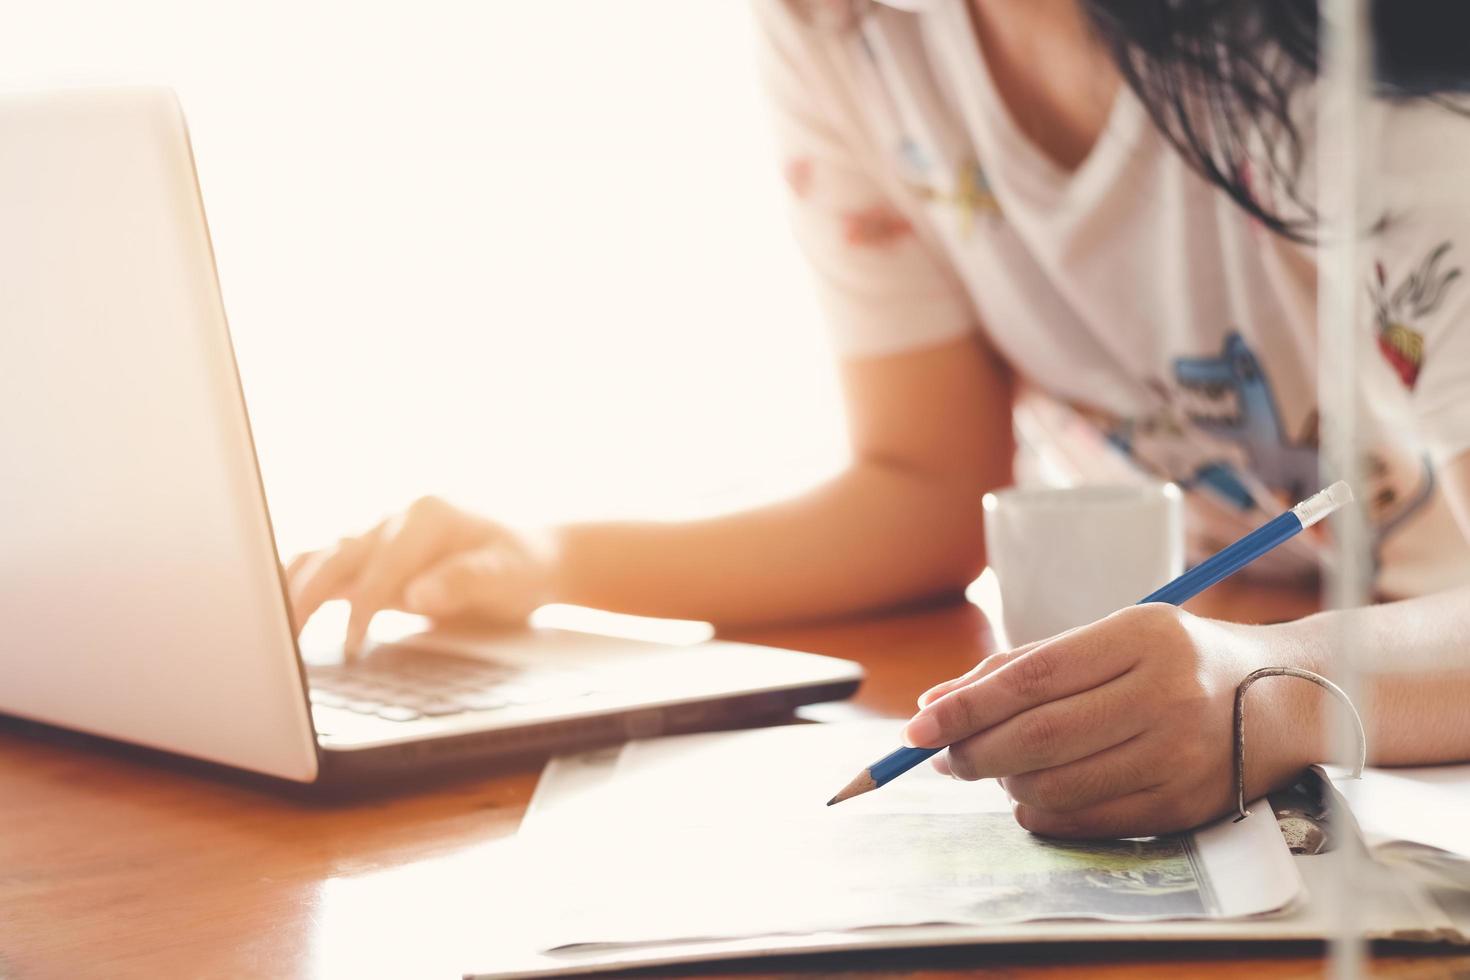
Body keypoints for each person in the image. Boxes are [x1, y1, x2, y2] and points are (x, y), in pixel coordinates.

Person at [287, 0, 1470, 837]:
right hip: (1228, 647)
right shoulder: (843, 22)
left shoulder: (1381, 59)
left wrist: (1273, 682)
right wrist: (556, 558)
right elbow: (923, 483)